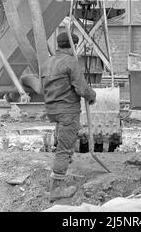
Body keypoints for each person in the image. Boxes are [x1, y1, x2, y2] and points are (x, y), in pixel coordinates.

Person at [41, 31, 96, 202]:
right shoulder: (71, 62)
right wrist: (92, 95)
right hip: (68, 111)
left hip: (52, 110)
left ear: (58, 45)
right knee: (63, 150)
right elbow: (82, 89)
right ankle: (57, 189)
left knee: (65, 144)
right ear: (74, 45)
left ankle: (64, 165)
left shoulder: (47, 62)